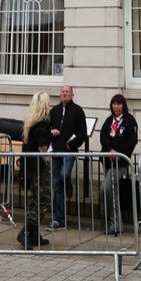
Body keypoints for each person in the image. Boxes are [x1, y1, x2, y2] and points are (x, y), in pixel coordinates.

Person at [48, 84, 88, 229]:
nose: (64, 94)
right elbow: (46, 127)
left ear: (72, 95)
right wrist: (51, 132)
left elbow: (82, 133)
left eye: (67, 92)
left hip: (69, 151)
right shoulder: (54, 111)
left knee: (64, 176)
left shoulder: (77, 111)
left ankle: (68, 184)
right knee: (56, 185)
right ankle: (60, 219)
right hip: (56, 152)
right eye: (62, 92)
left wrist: (71, 145)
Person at [98, 93, 138, 236]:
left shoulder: (129, 121)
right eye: (114, 104)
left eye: (119, 104)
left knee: (107, 189)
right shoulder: (109, 120)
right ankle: (113, 221)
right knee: (109, 191)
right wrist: (109, 151)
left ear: (124, 105)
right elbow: (103, 137)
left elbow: (131, 141)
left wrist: (118, 152)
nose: (116, 106)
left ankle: (111, 219)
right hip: (108, 161)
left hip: (120, 162)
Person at [18, 91, 53, 249]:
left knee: (34, 201)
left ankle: (32, 235)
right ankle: (26, 232)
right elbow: (42, 146)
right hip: (39, 167)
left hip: (30, 166)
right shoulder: (43, 122)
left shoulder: (31, 121)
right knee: (43, 201)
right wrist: (47, 159)